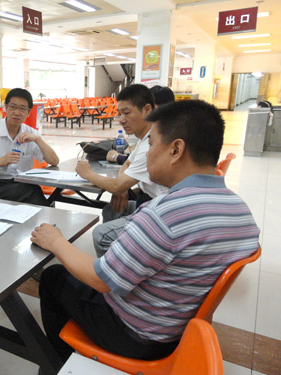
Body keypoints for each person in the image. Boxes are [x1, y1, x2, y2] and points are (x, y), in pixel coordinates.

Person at [31, 99, 260, 365]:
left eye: (151, 145)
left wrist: (57, 242)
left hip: (138, 336)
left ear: (176, 149)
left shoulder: (163, 215)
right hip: (183, 325)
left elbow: (102, 279)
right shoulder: (241, 209)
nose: (147, 154)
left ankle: (56, 363)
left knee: (53, 277)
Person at [76, 84, 167, 257]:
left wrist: (87, 173)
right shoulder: (144, 138)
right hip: (147, 202)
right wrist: (123, 187)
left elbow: (117, 184)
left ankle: (114, 275)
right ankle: (121, 254)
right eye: (119, 113)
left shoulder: (153, 142)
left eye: (127, 112)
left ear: (147, 109)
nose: (121, 119)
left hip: (158, 213)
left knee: (101, 234)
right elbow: (126, 166)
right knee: (112, 209)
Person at [0, 88, 59, 206]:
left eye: (22, 108)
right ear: (6, 107)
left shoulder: (30, 133)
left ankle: (46, 220)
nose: (17, 112)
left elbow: (54, 161)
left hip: (23, 183)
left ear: (28, 112)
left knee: (37, 193)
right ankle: (47, 221)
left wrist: (38, 139)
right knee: (33, 192)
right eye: (13, 107)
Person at [105, 85, 175, 166]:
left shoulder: (164, 136)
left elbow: (141, 161)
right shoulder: (150, 133)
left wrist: (116, 157)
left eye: (127, 113)